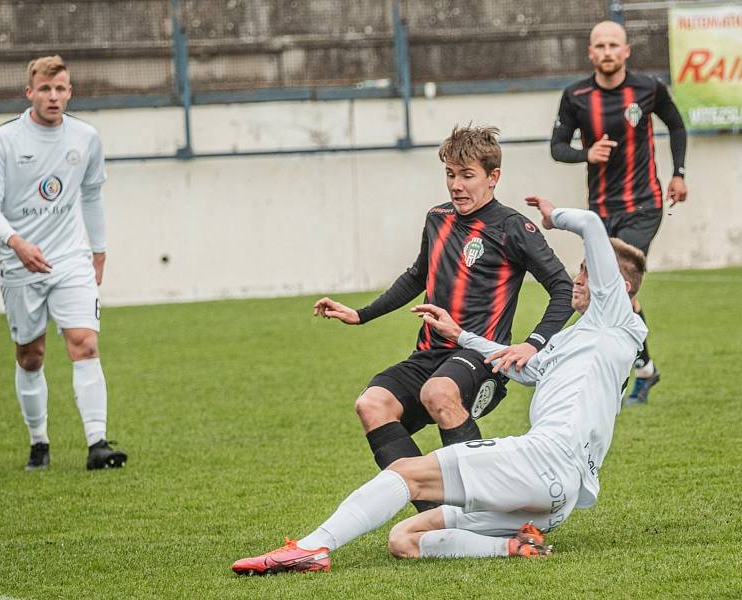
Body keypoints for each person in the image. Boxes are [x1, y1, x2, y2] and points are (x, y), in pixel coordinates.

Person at [232, 196, 647, 574]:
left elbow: (592, 224)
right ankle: (512, 547)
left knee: (407, 473)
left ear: (618, 289)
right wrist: (459, 334)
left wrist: (552, 217)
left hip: (543, 460)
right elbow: (517, 367)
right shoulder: (579, 339)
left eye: (587, 273)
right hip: (556, 499)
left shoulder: (616, 319)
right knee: (405, 538)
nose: (578, 279)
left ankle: (312, 547)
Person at [314, 126, 573, 510]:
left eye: (467, 175)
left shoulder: (512, 227)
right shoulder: (437, 218)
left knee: (438, 392)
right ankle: (435, 515)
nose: (456, 185)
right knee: (372, 404)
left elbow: (563, 289)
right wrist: (361, 314)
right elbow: (419, 276)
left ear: (493, 177)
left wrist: (532, 344)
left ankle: (487, 508)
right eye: (450, 174)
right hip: (430, 354)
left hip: (480, 357)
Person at [0, 55, 127, 471]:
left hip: (71, 259)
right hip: (20, 262)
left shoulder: (86, 137)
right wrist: (16, 242)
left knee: (85, 343)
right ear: (30, 93)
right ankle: (39, 441)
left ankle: (97, 443)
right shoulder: (5, 139)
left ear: (70, 92)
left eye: (60, 89)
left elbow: (92, 195)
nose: (53, 97)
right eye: (45, 89)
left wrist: (99, 251)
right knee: (31, 355)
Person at [550, 20, 687, 405]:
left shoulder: (648, 88)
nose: (607, 51)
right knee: (616, 294)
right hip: (600, 213)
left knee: (614, 286)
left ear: (626, 51)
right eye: (600, 45)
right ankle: (644, 368)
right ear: (590, 53)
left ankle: (614, 374)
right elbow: (557, 147)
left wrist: (679, 173)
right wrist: (585, 154)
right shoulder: (575, 95)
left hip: (644, 205)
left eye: (614, 45)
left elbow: (676, 126)